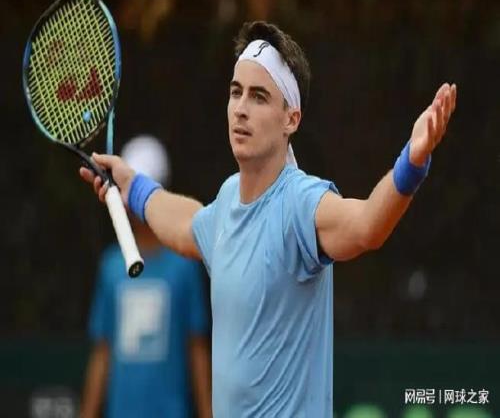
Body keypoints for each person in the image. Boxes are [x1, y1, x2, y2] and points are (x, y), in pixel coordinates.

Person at [80, 21, 457, 417]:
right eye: (236, 92)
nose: (241, 108)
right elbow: (187, 225)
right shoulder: (227, 201)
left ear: (290, 119)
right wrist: (134, 187)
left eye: (259, 96)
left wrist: (412, 162)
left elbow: (366, 226)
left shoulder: (300, 203)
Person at [80, 135, 211, 418]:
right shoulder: (111, 267)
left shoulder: (185, 264)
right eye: (130, 189)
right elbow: (102, 351)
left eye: (144, 189)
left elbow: (196, 347)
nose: (136, 201)